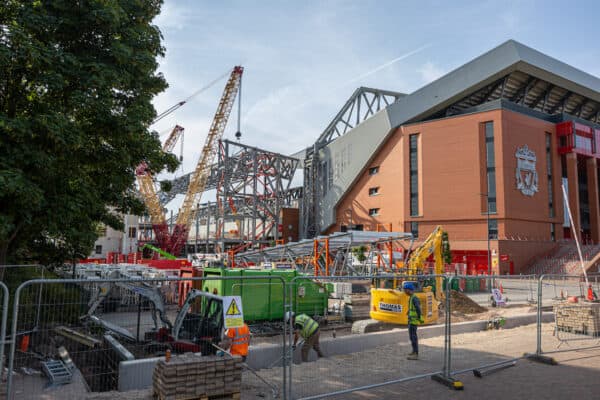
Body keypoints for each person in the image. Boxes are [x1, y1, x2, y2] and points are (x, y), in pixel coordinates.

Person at [404, 282, 423, 360]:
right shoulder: (411, 298)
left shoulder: (414, 298)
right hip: (411, 320)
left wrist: (419, 317)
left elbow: (418, 309)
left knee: (413, 337)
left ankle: (416, 354)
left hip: (413, 321)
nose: (404, 291)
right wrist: (408, 311)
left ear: (409, 289)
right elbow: (413, 308)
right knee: (411, 337)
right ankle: (414, 351)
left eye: (405, 290)